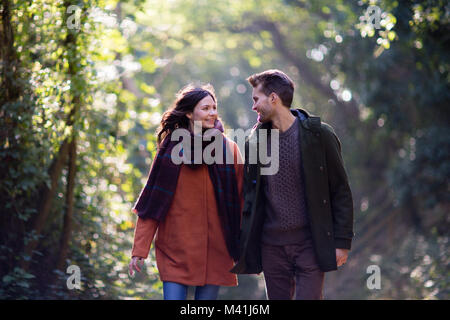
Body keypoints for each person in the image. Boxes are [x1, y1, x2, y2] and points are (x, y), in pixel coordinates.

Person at [231, 69, 354, 300]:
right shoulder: (254, 143)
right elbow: (250, 198)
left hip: (310, 244)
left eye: (256, 99)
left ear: (274, 98)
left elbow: (340, 190)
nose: (253, 107)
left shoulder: (320, 135)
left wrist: (342, 241)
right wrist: (243, 243)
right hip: (271, 248)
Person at [128, 84, 244, 300]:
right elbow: (152, 202)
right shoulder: (169, 150)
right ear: (190, 113)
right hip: (176, 251)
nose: (212, 113)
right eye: (205, 108)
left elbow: (241, 201)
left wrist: (244, 245)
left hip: (216, 252)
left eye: (214, 107)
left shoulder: (229, 149)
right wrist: (139, 250)